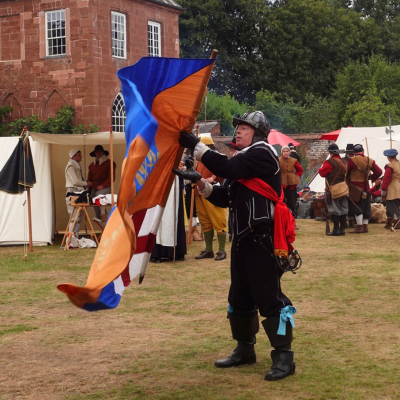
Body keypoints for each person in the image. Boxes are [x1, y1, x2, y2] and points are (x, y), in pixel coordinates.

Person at [174, 111, 297, 381]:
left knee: (270, 298)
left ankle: (285, 356)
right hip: (242, 240)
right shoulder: (243, 160)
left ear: (259, 133)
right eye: (239, 127)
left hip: (262, 239)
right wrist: (199, 181)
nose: (238, 131)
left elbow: (226, 169)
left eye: (245, 127)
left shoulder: (263, 153)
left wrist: (195, 145)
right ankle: (245, 349)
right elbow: (226, 195)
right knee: (239, 297)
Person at [193, 136, 228, 261]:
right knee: (205, 222)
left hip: (213, 192)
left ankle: (222, 250)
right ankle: (209, 250)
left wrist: (212, 179)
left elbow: (223, 171)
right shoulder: (199, 160)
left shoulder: (215, 158)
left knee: (219, 221)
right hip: (199, 193)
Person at [347, 144, 382, 233]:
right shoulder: (370, 160)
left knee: (357, 207)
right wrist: (371, 178)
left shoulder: (352, 160)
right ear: (363, 151)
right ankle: (365, 226)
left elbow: (347, 173)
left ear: (354, 152)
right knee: (366, 207)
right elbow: (379, 171)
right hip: (366, 187)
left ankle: (359, 227)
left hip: (355, 188)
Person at [151, 176, 187, 262]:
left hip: (174, 180)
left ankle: (175, 252)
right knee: (159, 216)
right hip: (159, 178)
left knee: (174, 214)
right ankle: (158, 253)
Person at [318, 144, 348, 236]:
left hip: (333, 188)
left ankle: (336, 229)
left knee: (334, 209)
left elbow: (322, 173)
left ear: (330, 152)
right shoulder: (343, 161)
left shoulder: (329, 162)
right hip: (343, 187)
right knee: (343, 208)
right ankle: (342, 229)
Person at [87, 145, 116, 222]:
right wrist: (89, 186)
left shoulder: (109, 163)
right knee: (92, 199)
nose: (98, 153)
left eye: (100, 151)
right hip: (94, 187)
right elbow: (89, 179)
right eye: (96, 152)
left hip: (105, 187)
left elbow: (112, 177)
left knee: (99, 195)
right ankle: (101, 221)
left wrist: (103, 185)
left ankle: (103, 214)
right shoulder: (92, 165)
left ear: (103, 152)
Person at [65, 149, 88, 237]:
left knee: (79, 215)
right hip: (72, 191)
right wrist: (86, 183)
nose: (81, 156)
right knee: (74, 215)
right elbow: (75, 181)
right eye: (79, 155)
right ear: (73, 156)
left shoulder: (76, 165)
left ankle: (76, 236)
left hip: (78, 191)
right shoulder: (71, 166)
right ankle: (70, 238)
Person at [279, 146, 303, 217]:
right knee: (282, 201)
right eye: (284, 151)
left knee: (292, 202)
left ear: (289, 152)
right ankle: (283, 217)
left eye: (287, 151)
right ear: (282, 152)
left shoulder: (294, 160)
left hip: (292, 184)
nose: (286, 153)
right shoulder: (278, 160)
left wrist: (296, 177)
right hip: (282, 184)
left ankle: (292, 217)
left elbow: (300, 170)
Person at [381, 149, 400, 229]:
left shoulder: (390, 166)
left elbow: (386, 178)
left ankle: (397, 223)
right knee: (390, 206)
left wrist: (383, 189)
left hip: (392, 187)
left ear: (388, 157)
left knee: (392, 206)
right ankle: (388, 223)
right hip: (398, 186)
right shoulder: (398, 163)